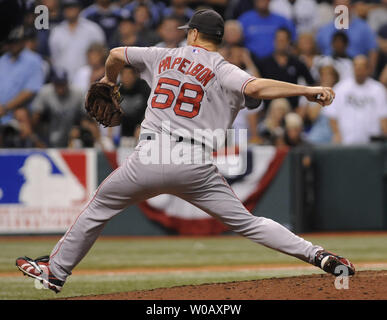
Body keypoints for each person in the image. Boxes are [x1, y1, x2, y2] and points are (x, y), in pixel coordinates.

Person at [15, 9, 355, 293]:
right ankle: (319, 256)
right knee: (248, 223)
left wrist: (108, 82)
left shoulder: (163, 55)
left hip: (148, 156)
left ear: (192, 34)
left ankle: (55, 272)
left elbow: (116, 54)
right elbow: (256, 88)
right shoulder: (224, 69)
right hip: (194, 163)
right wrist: (308, 89)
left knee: (98, 208)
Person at [324, 55, 387, 144]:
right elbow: (332, 114)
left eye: (362, 68)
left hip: (372, 143)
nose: (359, 71)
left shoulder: (378, 89)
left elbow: (383, 117)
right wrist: (337, 134)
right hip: (347, 141)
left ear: (368, 69)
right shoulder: (340, 88)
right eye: (357, 68)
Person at [255, 27, 315, 109]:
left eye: (283, 40)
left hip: (293, 111)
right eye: (278, 40)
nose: (280, 43)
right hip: (269, 111)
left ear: (288, 42)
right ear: (274, 41)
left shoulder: (297, 63)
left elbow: (311, 84)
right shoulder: (264, 63)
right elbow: (257, 85)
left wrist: (303, 108)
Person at [49, 0, 106, 82]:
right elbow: (55, 59)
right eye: (67, 8)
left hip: (88, 79)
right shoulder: (56, 32)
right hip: (64, 82)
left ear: (79, 9)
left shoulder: (93, 29)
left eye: (73, 7)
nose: (70, 10)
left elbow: (103, 55)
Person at [316, 0, 378, 72]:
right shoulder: (324, 30)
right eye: (338, 6)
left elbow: (373, 51)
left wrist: (370, 72)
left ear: (351, 7)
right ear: (333, 7)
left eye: (344, 6)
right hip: (329, 72)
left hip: (356, 72)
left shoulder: (364, 28)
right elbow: (317, 52)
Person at [0, 26, 44, 126]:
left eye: (15, 42)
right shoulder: (3, 60)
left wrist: (6, 108)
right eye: (10, 42)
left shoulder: (33, 60)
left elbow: (31, 90)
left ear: (22, 42)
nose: (12, 45)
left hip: (19, 114)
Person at [30, 70, 85, 148]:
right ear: (53, 83)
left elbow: (86, 118)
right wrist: (35, 138)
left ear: (67, 83)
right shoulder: (45, 92)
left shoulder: (77, 93)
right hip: (48, 134)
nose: (60, 88)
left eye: (62, 84)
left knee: (80, 131)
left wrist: (79, 128)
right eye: (58, 84)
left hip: (70, 135)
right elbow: (35, 117)